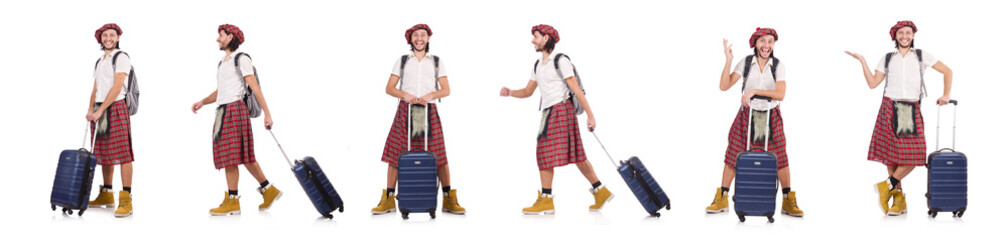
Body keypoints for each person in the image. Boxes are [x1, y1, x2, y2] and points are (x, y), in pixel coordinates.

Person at [500, 24, 613, 215]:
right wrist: (511, 92)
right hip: (549, 111)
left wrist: (590, 115)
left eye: (536, 36)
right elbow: (528, 91)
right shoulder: (538, 65)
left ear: (546, 38)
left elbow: (576, 89)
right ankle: (600, 191)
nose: (532, 41)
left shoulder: (561, 60)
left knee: (543, 152)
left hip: (561, 110)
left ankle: (546, 199)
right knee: (576, 154)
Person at [844, 20, 953, 216]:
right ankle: (899, 200)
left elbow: (947, 71)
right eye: (901, 33)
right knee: (892, 157)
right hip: (889, 106)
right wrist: (862, 60)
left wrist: (945, 95)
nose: (905, 36)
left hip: (910, 107)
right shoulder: (887, 58)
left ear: (913, 35)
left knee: (915, 153)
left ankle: (887, 185)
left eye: (908, 33)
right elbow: (872, 83)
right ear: (895, 36)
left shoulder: (921, 56)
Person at [705, 27, 803, 217]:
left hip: (770, 115)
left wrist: (754, 92)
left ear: (773, 45)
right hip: (746, 114)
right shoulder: (746, 62)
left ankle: (788, 200)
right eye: (762, 41)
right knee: (734, 152)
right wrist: (729, 61)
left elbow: (780, 94)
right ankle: (722, 197)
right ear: (756, 44)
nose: (766, 46)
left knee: (780, 156)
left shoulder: (778, 66)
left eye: (770, 42)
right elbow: (724, 86)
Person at [371, 24, 466, 215]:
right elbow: (389, 88)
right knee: (395, 154)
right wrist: (406, 95)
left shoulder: (437, 61)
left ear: (429, 38)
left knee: (439, 154)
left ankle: (448, 198)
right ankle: (389, 198)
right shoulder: (403, 61)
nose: (419, 39)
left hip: (428, 111)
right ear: (411, 39)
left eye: (423, 35)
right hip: (405, 110)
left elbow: (446, 90)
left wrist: (429, 96)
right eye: (416, 35)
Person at [191, 24, 282, 216]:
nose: (217, 39)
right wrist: (203, 102)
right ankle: (269, 190)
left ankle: (233, 200)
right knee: (241, 155)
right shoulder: (223, 62)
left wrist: (267, 113)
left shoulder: (242, 59)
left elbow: (255, 87)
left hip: (235, 110)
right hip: (224, 110)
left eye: (220, 35)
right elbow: (221, 91)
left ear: (230, 37)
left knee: (232, 157)